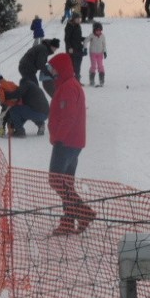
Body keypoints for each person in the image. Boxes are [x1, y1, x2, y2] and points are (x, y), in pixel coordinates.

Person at [46, 53, 95, 235]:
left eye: (53, 69)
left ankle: (83, 213)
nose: (51, 73)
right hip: (73, 141)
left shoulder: (68, 87)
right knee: (66, 183)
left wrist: (58, 137)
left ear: (61, 68)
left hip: (66, 142)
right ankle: (68, 221)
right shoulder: (67, 85)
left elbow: (68, 116)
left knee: (56, 180)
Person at [84, 21, 107, 87]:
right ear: (94, 30)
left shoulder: (102, 36)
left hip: (100, 53)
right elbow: (85, 41)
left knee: (100, 66)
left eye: (99, 30)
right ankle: (92, 80)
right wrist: (85, 48)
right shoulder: (92, 36)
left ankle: (101, 79)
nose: (98, 32)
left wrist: (105, 52)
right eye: (97, 30)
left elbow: (104, 44)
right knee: (93, 66)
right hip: (93, 53)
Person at [64, 12, 85, 82]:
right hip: (72, 50)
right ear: (74, 19)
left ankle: (77, 81)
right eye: (77, 18)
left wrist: (86, 39)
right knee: (73, 66)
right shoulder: (69, 26)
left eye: (80, 18)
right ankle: (72, 81)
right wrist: (69, 47)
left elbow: (78, 38)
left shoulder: (78, 26)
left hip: (78, 48)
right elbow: (67, 38)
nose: (79, 20)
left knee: (78, 66)